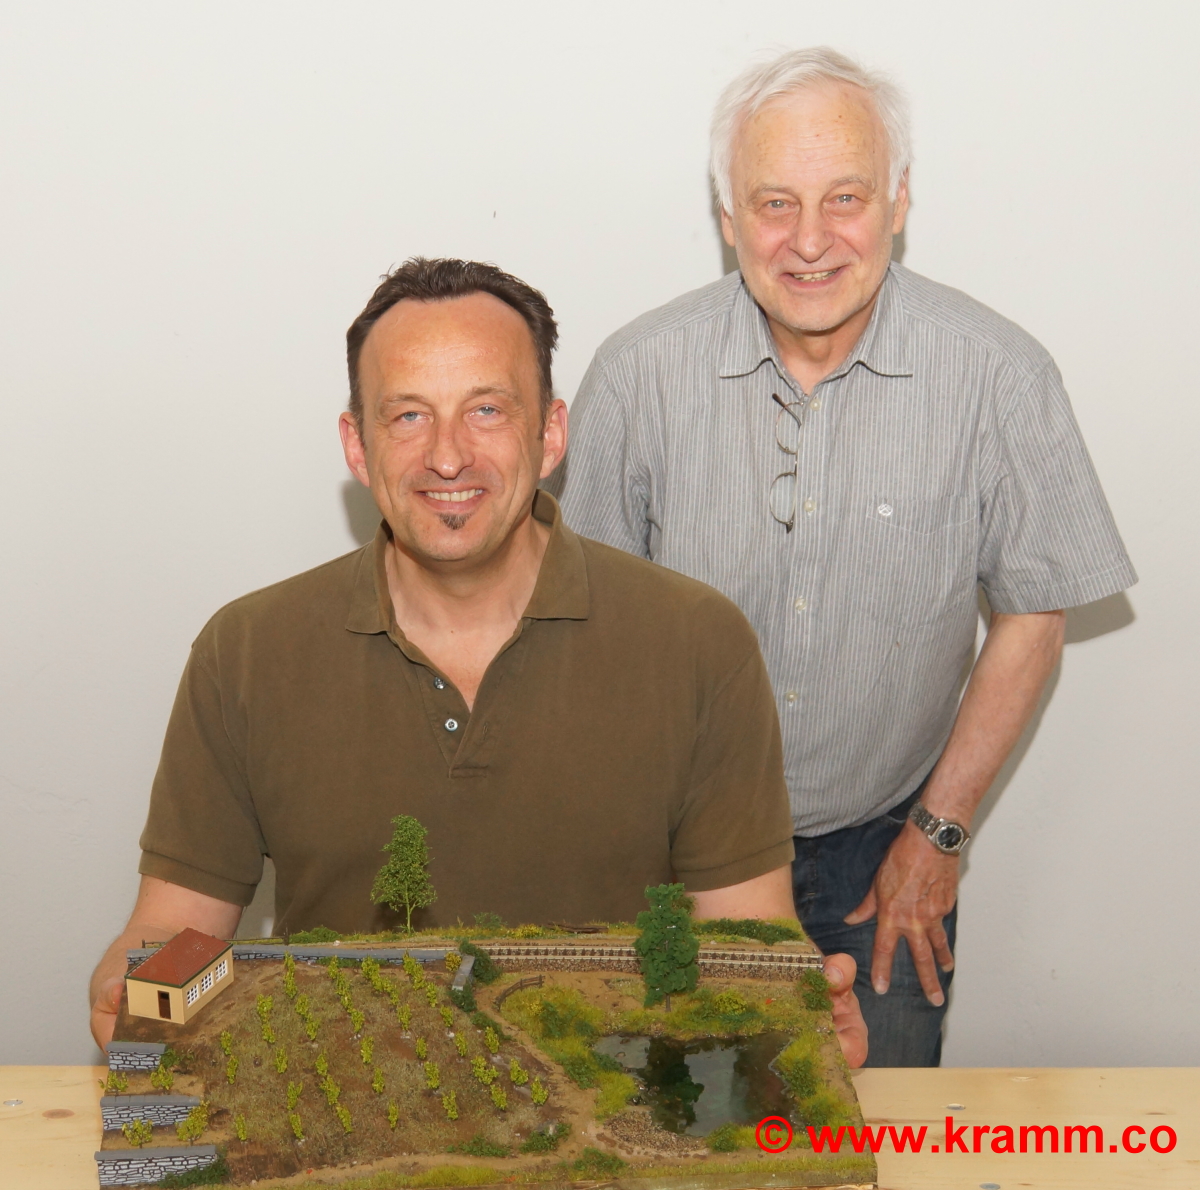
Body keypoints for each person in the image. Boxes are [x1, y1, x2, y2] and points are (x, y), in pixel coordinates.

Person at [89, 257, 866, 1069]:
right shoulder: (246, 652)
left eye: (487, 410)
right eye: (408, 416)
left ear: (551, 433)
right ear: (358, 445)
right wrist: (137, 999)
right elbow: (175, 931)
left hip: (617, 1111)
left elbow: (746, 935)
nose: (448, 457)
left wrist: (795, 1033)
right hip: (341, 1104)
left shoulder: (701, 643)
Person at [558, 48, 1137, 1066]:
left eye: (846, 197)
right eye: (775, 203)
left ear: (900, 200)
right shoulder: (636, 376)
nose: (811, 240)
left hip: (888, 859)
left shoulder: (1000, 376)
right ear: (728, 216)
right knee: (671, 1125)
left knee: (878, 1132)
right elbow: (583, 631)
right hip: (676, 855)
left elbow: (1033, 615)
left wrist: (938, 836)